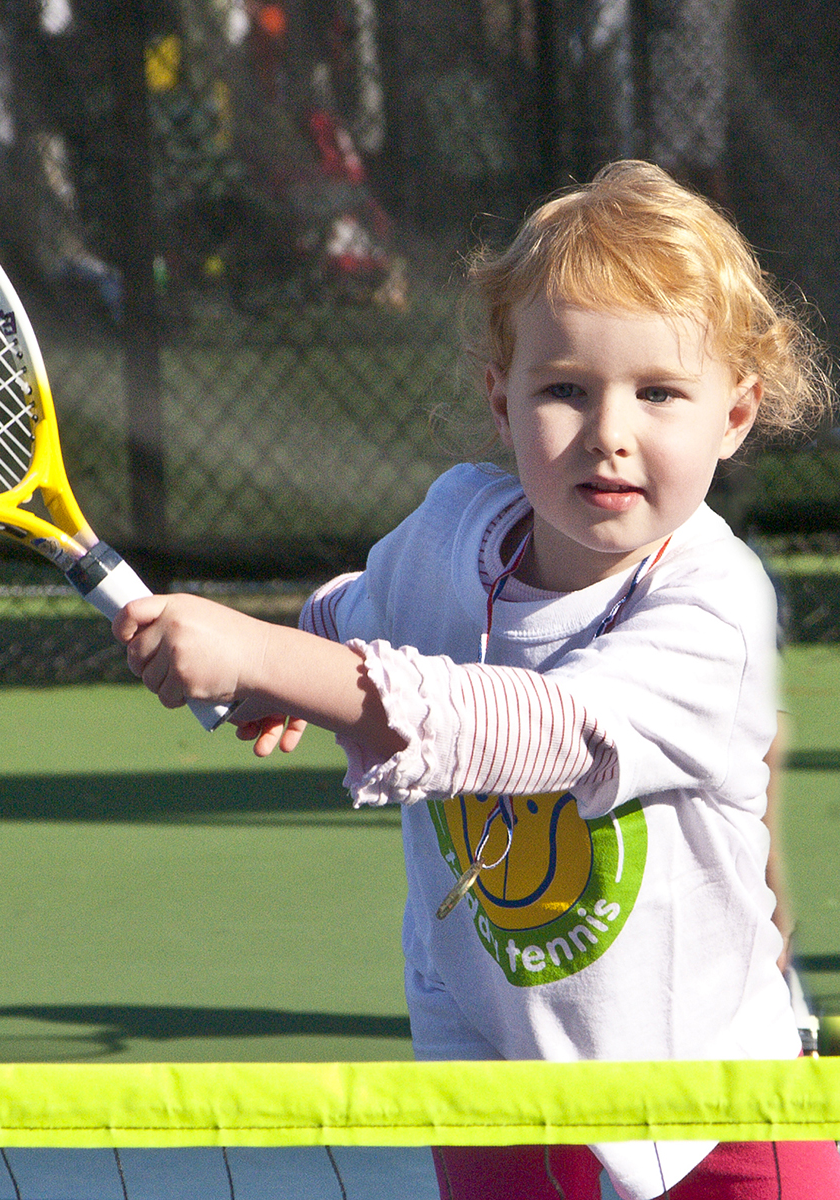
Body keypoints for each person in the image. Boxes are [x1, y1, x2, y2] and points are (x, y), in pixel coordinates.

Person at [113, 161, 837, 1199]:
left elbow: (547, 732)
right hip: (496, 1084)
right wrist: (277, 663)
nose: (611, 431)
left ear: (735, 415)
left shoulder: (713, 606)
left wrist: (273, 660)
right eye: (565, 390)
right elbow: (367, 613)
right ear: (502, 401)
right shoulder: (455, 527)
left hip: (723, 1104)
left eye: (660, 392)